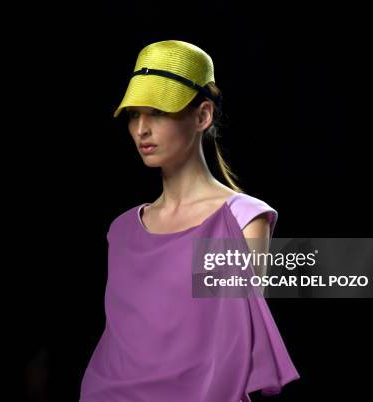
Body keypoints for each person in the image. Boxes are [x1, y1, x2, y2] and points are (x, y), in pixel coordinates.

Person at [80, 39, 299, 402]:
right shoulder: (121, 231)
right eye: (135, 114)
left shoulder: (244, 219)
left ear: (203, 115)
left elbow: (232, 349)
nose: (141, 129)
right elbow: (118, 349)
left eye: (160, 112)